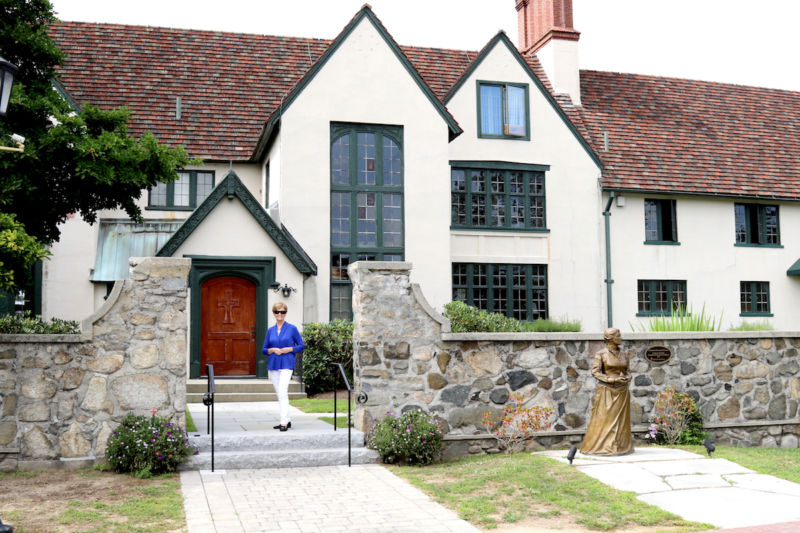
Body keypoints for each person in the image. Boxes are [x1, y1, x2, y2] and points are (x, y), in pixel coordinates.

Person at [579, 327, 634, 455]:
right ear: (609, 338)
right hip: (606, 390)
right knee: (605, 419)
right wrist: (610, 379)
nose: (621, 338)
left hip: (622, 391)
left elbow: (628, 371)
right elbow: (595, 372)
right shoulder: (601, 354)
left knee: (620, 420)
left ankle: (620, 446)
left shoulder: (624, 354)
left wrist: (627, 377)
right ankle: (602, 446)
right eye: (618, 336)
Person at [262, 301, 305, 431]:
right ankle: (287, 419)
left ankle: (283, 422)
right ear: (274, 314)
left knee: (282, 391)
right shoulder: (270, 331)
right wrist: (272, 350)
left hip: (287, 363)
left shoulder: (292, 329)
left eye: (282, 312)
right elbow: (264, 349)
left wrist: (290, 349)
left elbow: (301, 345)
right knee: (279, 393)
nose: (280, 314)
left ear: (285, 313)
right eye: (277, 312)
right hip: (274, 364)